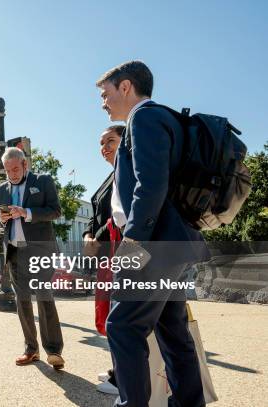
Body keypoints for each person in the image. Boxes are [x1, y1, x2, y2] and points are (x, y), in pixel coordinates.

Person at [97, 60, 207, 407]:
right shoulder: (166, 118)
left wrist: (133, 241)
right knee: (172, 332)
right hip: (173, 245)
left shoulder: (143, 118)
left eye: (106, 93)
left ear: (126, 87)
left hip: (153, 245)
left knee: (123, 327)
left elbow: (150, 185)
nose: (103, 102)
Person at [0, 147, 65, 370]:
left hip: (40, 249)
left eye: (15, 169)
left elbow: (55, 210)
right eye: (7, 171)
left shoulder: (43, 181)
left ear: (25, 164)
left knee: (44, 296)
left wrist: (26, 212)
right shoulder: (2, 189)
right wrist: (1, 217)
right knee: (22, 300)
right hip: (14, 249)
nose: (12, 174)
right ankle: (31, 349)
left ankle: (54, 351)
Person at [82, 125, 124, 395]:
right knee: (109, 313)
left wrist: (95, 237)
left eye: (111, 141)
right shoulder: (110, 177)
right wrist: (87, 234)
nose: (104, 147)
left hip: (120, 253)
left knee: (121, 315)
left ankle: (124, 378)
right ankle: (118, 369)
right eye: (101, 143)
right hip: (105, 256)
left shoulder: (128, 173)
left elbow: (116, 217)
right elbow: (97, 214)